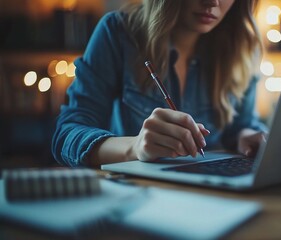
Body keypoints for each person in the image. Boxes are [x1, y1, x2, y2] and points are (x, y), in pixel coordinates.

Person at [52, 0, 267, 167]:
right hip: (136, 197)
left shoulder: (241, 48)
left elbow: (240, 125)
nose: (211, 2)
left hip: (217, 193)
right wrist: (134, 147)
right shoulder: (118, 33)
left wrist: (245, 136)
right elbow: (66, 136)